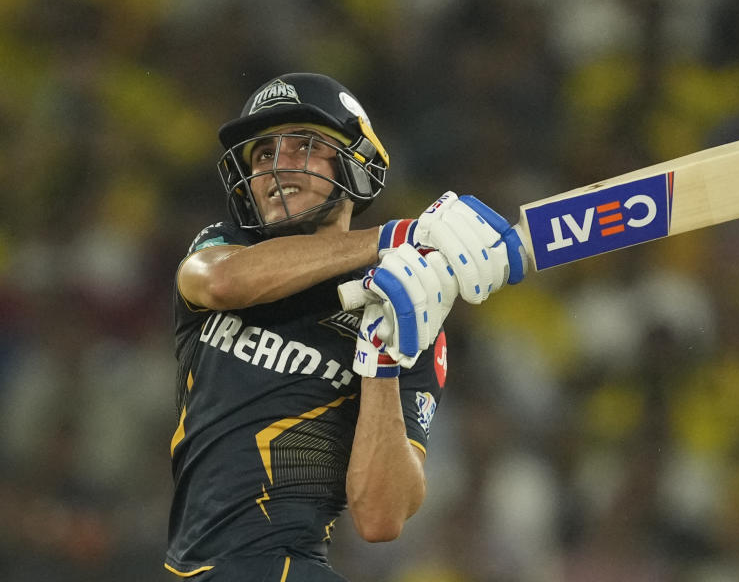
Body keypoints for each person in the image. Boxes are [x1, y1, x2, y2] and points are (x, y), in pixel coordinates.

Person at [165, 73, 524, 581]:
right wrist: (398, 234)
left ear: (356, 164)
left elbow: (381, 515)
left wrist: (382, 359)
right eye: (262, 153)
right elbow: (224, 283)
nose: (275, 166)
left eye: (303, 145)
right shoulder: (224, 246)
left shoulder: (404, 307)